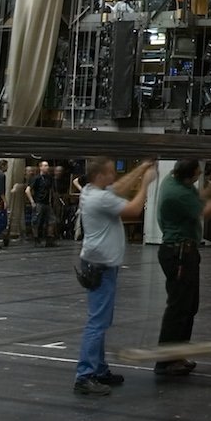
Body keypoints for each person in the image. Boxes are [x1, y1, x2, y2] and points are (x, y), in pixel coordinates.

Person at [74, 157, 155, 398]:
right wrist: (146, 183)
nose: (114, 176)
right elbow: (133, 209)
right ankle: (85, 375)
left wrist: (140, 168)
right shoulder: (100, 198)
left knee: (100, 321)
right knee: (97, 323)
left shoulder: (91, 190)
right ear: (100, 176)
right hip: (101, 266)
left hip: (98, 263)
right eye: (110, 172)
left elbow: (118, 188)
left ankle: (98, 369)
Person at [153, 161, 211, 377]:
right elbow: (207, 210)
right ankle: (166, 360)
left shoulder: (178, 182)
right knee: (178, 307)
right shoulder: (176, 193)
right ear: (188, 176)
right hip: (178, 253)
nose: (199, 177)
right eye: (197, 175)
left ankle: (177, 354)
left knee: (188, 306)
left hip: (185, 251)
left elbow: (199, 198)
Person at [26, 161, 55, 246]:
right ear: (40, 167)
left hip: (47, 203)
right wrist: (32, 202)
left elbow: (51, 190)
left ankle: (49, 239)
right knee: (36, 221)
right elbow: (27, 190)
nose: (47, 167)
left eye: (47, 165)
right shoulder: (36, 178)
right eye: (45, 166)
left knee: (52, 220)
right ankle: (36, 239)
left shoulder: (49, 178)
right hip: (39, 202)